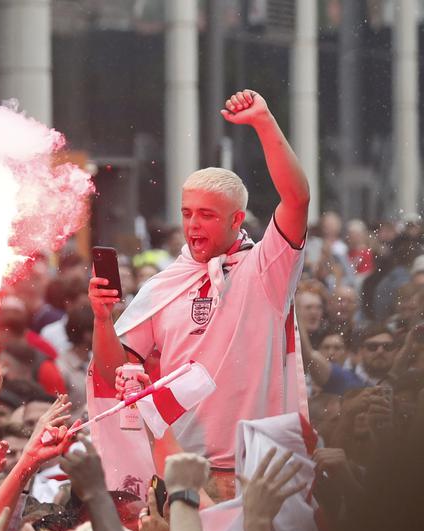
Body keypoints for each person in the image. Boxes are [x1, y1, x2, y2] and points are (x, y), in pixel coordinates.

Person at [89, 89, 310, 499]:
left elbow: (296, 199)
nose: (193, 225)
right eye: (187, 213)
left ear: (237, 219)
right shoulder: (162, 286)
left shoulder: (266, 268)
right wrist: (103, 319)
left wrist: (263, 122)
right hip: (177, 474)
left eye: (207, 215)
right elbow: (112, 374)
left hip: (251, 474)